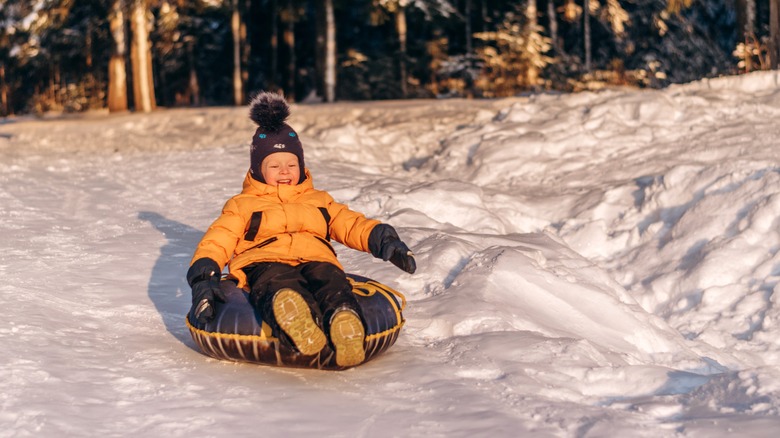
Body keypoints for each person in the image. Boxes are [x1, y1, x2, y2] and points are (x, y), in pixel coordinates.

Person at [186, 92, 416, 367]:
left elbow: (349, 222)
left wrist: (381, 238)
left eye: (291, 164)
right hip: (263, 261)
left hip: (316, 258)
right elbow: (219, 238)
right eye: (274, 165)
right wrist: (204, 275)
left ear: (301, 165)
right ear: (258, 169)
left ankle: (345, 323)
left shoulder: (318, 199)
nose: (284, 171)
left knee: (332, 281)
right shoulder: (243, 204)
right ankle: (295, 320)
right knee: (277, 283)